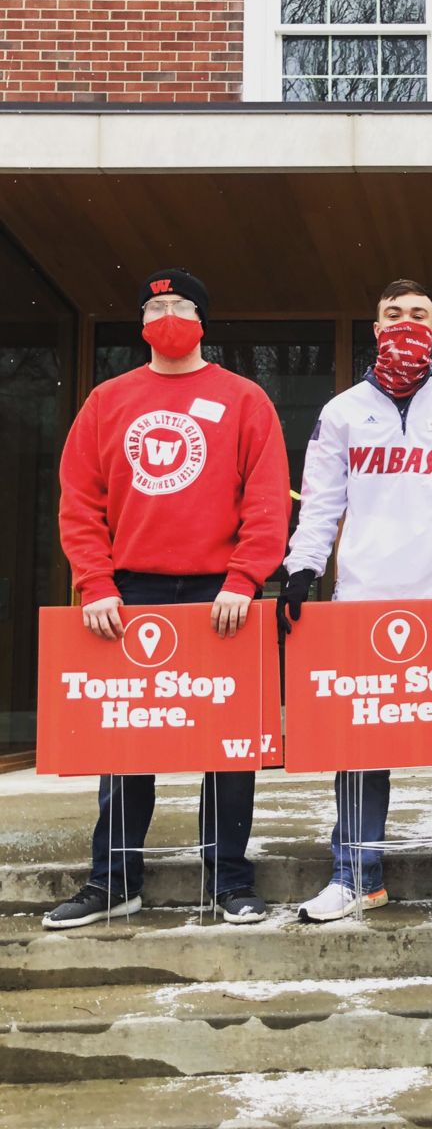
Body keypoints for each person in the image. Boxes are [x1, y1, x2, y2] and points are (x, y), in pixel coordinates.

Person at [45, 268, 290, 929]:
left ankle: (230, 880)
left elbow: (266, 500)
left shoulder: (244, 400)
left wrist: (244, 577)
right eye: (156, 306)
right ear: (141, 322)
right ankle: (113, 880)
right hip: (129, 592)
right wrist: (94, 583)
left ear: (203, 319)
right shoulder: (107, 400)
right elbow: (80, 501)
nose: (168, 314)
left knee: (229, 747)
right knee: (126, 742)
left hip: (221, 593)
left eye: (180, 304)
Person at [280, 279, 432, 923]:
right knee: (359, 743)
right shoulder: (342, 412)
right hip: (365, 599)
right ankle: (354, 874)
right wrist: (300, 571)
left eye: (420, 315)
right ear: (376, 328)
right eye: (394, 315)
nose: (407, 324)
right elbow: (322, 502)